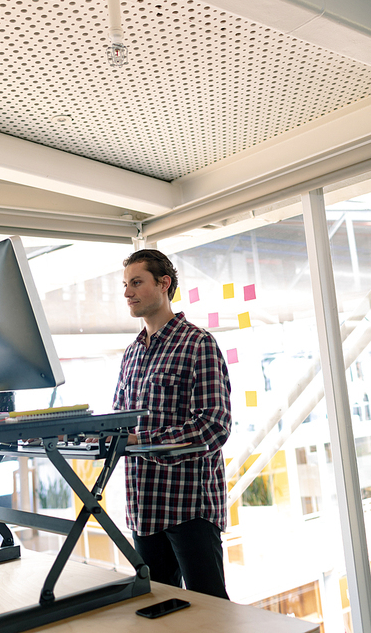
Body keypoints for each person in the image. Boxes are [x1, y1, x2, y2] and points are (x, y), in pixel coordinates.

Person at [113, 248, 231, 598]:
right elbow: (122, 423)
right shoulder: (132, 352)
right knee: (160, 611)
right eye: (125, 284)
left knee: (211, 612)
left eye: (136, 282)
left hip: (188, 508)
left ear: (164, 283)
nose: (127, 292)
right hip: (142, 508)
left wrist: (140, 442)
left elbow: (213, 426)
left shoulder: (198, 344)